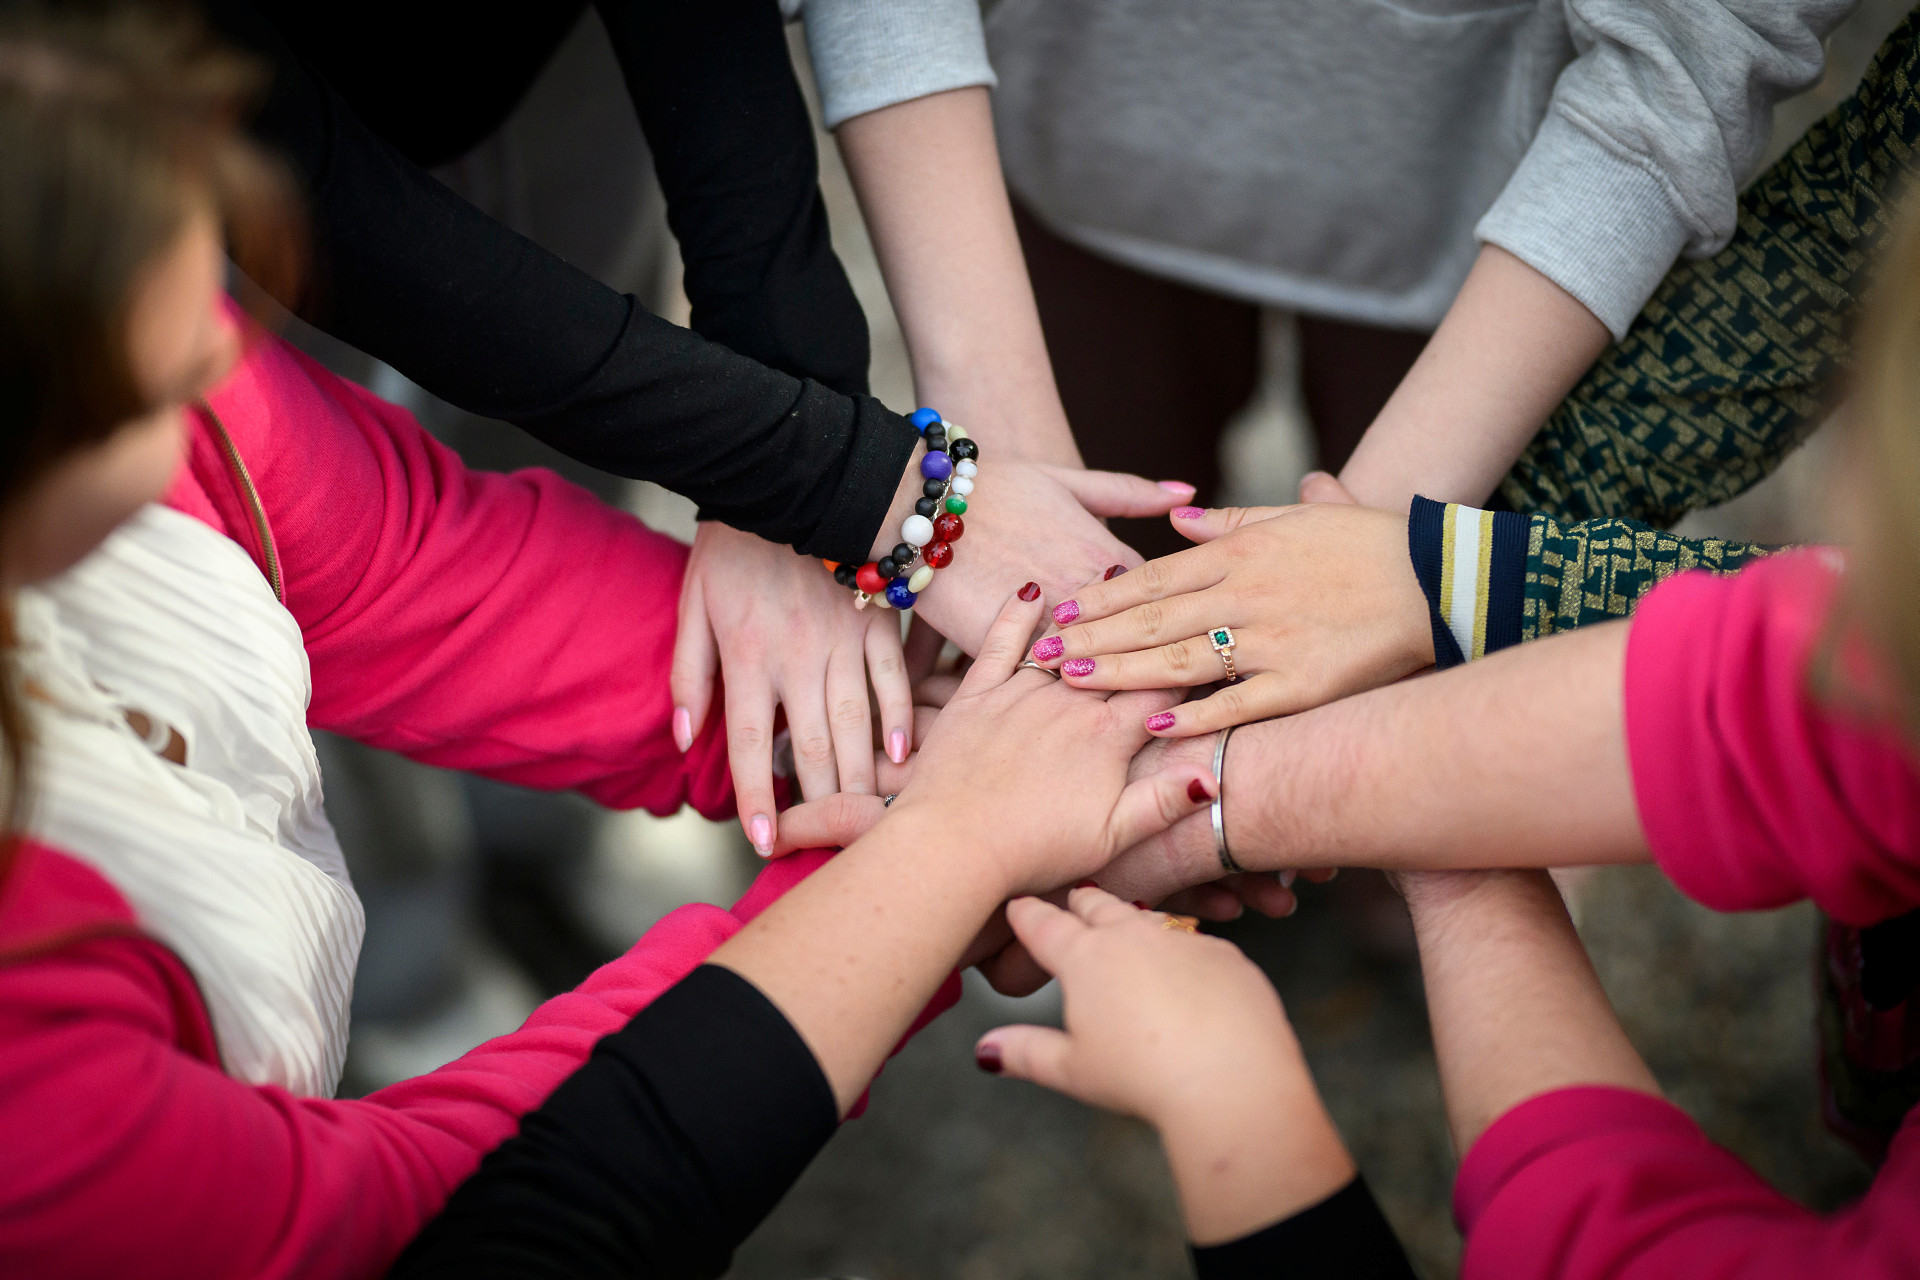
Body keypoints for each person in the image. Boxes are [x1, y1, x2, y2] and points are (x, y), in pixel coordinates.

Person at [200, 0, 1171, 850]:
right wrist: (854, 481)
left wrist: (785, 412)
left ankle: (562, 817)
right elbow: (288, 172)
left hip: (562, 60)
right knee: (292, 544)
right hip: (210, 151)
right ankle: (408, 938)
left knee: (579, 469)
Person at [984, 0, 1868, 555]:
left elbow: (1707, 33)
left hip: (1500, 213)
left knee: (1388, 733)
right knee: (1095, 576)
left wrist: (1367, 563)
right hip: (1082, 153)